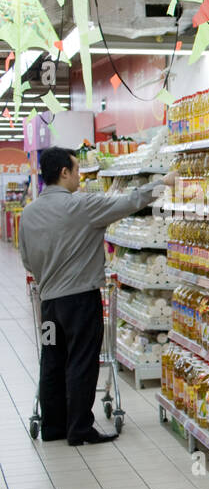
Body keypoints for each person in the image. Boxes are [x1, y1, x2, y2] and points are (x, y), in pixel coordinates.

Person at [18, 147, 178, 445]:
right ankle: (79, 428)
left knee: (51, 359)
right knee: (81, 360)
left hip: (49, 305)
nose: (79, 176)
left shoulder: (28, 214)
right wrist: (163, 183)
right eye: (77, 170)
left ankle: (53, 428)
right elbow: (128, 202)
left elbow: (26, 260)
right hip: (80, 302)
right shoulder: (82, 205)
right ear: (64, 173)